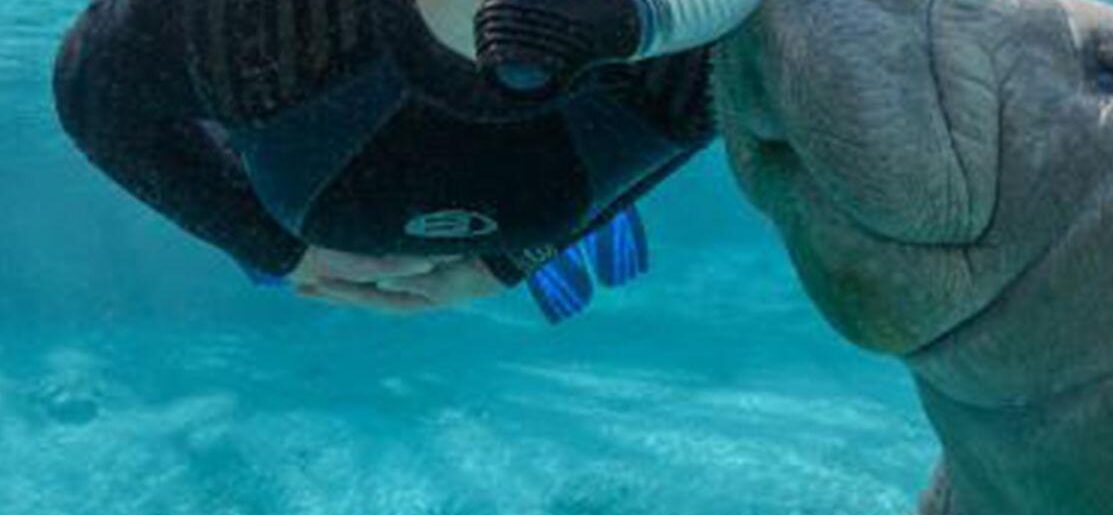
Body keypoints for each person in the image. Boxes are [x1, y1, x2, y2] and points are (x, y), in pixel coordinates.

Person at [53, 0, 749, 322]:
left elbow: (702, 117)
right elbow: (91, 97)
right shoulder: (246, 23)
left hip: (349, 199)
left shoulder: (713, 51)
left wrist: (525, 255)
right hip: (302, 186)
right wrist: (270, 247)